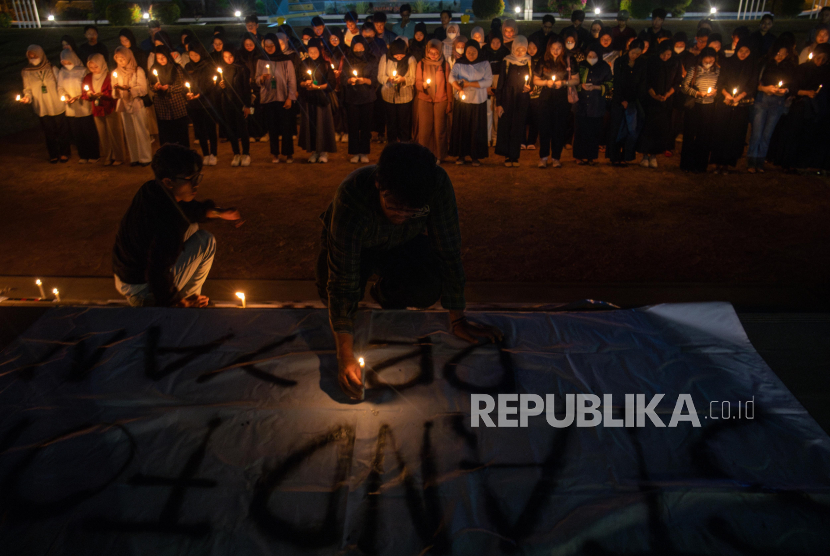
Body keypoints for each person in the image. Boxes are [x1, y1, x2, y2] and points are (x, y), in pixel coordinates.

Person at [315, 142, 504, 400]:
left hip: (403, 243)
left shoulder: (436, 185)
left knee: (426, 286)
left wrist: (458, 319)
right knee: (332, 292)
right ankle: (366, 287)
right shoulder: (352, 199)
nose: (402, 215)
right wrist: (345, 355)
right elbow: (341, 281)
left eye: (412, 210)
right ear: (379, 185)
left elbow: (448, 249)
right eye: (394, 206)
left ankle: (385, 291)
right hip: (358, 246)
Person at [113, 144, 242, 308]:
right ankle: (188, 302)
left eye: (197, 177)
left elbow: (190, 209)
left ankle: (188, 298)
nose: (196, 185)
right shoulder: (168, 219)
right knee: (205, 242)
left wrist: (219, 213)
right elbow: (157, 270)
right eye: (190, 180)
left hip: (129, 275)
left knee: (196, 231)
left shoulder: (152, 189)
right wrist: (179, 303)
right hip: (142, 288)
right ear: (168, 181)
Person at [767, 43, 830, 172]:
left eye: (824, 59)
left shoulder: (826, 71)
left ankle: (807, 163)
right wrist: (806, 92)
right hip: (800, 107)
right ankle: (789, 162)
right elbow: (793, 88)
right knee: (794, 135)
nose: (820, 62)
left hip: (818, 109)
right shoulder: (803, 69)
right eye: (818, 58)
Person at [746, 38, 797, 173]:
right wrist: (764, 89)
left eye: (784, 54)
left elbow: (793, 85)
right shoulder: (764, 63)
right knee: (757, 132)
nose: (780, 57)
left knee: (767, 134)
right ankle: (751, 161)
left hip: (778, 103)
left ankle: (760, 162)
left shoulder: (789, 67)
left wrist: (784, 91)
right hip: (762, 100)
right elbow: (753, 82)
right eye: (778, 53)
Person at [710, 40, 757, 174]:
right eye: (741, 51)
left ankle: (727, 163)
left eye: (747, 52)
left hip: (740, 105)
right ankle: (717, 162)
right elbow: (721, 82)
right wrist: (727, 95)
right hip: (724, 102)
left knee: (734, 134)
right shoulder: (729, 63)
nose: (743, 54)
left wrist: (738, 97)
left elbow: (751, 85)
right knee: (720, 131)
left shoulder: (752, 66)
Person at [533, 36, 579, 169]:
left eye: (558, 48)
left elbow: (576, 80)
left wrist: (563, 83)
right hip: (546, 98)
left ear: (563, 48)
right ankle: (543, 157)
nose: (556, 51)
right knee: (544, 128)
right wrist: (545, 82)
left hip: (562, 98)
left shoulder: (569, 60)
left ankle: (556, 157)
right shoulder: (543, 60)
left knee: (559, 128)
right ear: (549, 48)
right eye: (553, 48)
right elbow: (535, 79)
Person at [21, 45, 71, 163]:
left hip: (56, 103)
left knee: (62, 130)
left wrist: (65, 95)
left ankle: (64, 152)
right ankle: (53, 153)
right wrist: (27, 98)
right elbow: (27, 88)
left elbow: (60, 85)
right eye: (30, 56)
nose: (33, 58)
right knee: (49, 131)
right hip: (42, 106)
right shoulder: (26, 72)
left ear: (41, 54)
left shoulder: (52, 69)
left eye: (35, 55)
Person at [449, 40, 493, 166]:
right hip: (462, 100)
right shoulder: (459, 63)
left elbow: (488, 81)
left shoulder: (484, 63)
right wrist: (460, 88)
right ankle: (461, 155)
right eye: (469, 52)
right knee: (462, 128)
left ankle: (475, 156)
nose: (471, 54)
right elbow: (451, 77)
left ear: (478, 52)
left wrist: (469, 84)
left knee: (476, 129)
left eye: (474, 52)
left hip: (478, 100)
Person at [637, 41, 679, 168]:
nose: (666, 57)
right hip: (650, 100)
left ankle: (654, 155)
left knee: (659, 129)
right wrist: (654, 95)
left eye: (668, 54)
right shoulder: (651, 61)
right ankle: (645, 155)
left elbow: (677, 82)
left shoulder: (675, 62)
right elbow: (646, 80)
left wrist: (667, 95)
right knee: (647, 128)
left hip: (666, 101)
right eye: (663, 55)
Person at [257, 33, 297, 164]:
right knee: (272, 128)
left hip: (283, 97)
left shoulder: (286, 60)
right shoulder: (261, 60)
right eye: (266, 46)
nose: (269, 48)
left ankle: (288, 153)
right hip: (268, 98)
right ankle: (275, 153)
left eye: (271, 45)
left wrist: (290, 97)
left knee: (286, 127)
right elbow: (257, 79)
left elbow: (292, 80)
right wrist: (262, 78)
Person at [679, 47, 720, 173]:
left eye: (711, 58)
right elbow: (684, 87)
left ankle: (701, 164)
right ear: (701, 58)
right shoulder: (694, 69)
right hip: (694, 106)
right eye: (706, 58)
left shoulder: (717, 71)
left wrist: (715, 92)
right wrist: (697, 94)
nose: (708, 61)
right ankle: (687, 164)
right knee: (690, 134)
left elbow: (719, 86)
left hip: (708, 107)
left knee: (705, 135)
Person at [606, 39, 646, 167]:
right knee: (617, 128)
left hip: (633, 101)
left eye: (638, 53)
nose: (635, 56)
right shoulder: (620, 62)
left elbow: (641, 83)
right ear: (629, 49)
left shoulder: (641, 64)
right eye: (633, 52)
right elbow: (617, 82)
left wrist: (632, 100)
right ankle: (614, 156)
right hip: (619, 100)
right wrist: (621, 100)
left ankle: (625, 156)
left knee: (630, 130)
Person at [82, 54, 126, 166]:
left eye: (96, 67)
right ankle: (108, 156)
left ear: (102, 65)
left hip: (110, 107)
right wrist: (89, 95)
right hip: (97, 109)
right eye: (91, 67)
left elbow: (113, 92)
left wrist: (103, 95)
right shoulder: (88, 77)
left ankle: (119, 156)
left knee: (115, 133)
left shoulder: (109, 76)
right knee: (103, 134)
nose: (93, 70)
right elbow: (84, 93)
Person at [495, 36, 532, 167]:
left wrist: (529, 87)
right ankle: (506, 155)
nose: (520, 52)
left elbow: (531, 81)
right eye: (518, 49)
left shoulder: (528, 62)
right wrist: (498, 103)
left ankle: (514, 156)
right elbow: (500, 83)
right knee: (506, 125)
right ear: (513, 48)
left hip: (521, 98)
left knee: (518, 126)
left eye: (523, 49)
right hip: (507, 97)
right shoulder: (507, 61)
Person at [298, 39, 338, 163]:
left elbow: (331, 83)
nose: (313, 54)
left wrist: (318, 87)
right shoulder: (304, 63)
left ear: (319, 51)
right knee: (311, 126)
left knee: (322, 125)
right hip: (309, 100)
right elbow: (299, 80)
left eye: (315, 51)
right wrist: (305, 84)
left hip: (322, 100)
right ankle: (314, 151)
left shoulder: (325, 64)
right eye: (310, 51)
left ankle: (323, 152)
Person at [57, 49, 99, 163]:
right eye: (64, 62)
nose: (66, 64)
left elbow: (88, 86)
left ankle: (94, 154)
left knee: (88, 131)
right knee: (77, 133)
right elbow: (60, 87)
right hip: (71, 107)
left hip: (83, 105)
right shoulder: (62, 72)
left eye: (68, 62)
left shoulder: (83, 71)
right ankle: (83, 155)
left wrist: (80, 96)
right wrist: (65, 96)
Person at [112, 46, 152, 167]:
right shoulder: (116, 72)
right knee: (129, 131)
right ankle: (134, 157)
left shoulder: (137, 70)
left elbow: (143, 89)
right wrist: (117, 90)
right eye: (118, 58)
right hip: (124, 104)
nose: (120, 61)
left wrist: (129, 89)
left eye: (122, 58)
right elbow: (114, 93)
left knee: (141, 130)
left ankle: (145, 157)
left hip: (136, 104)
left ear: (128, 57)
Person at [573, 45, 612, 165]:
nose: (592, 58)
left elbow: (609, 84)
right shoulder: (581, 65)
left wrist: (596, 87)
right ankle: (579, 156)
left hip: (596, 104)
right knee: (581, 131)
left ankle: (591, 156)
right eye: (590, 56)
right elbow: (574, 82)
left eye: (594, 56)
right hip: (582, 104)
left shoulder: (604, 66)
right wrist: (581, 86)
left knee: (594, 132)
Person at [415, 38, 453, 162]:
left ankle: (439, 155)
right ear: (426, 51)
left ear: (440, 52)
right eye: (430, 52)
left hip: (440, 100)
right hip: (425, 99)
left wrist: (449, 101)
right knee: (425, 130)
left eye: (436, 53)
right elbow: (417, 82)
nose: (433, 55)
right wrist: (423, 86)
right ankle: (424, 154)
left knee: (439, 130)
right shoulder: (421, 64)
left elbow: (448, 83)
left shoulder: (444, 64)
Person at [342, 36, 378, 164]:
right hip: (352, 98)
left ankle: (364, 152)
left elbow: (375, 79)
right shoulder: (347, 59)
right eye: (356, 47)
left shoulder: (372, 59)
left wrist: (364, 80)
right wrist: (349, 80)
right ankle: (354, 152)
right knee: (353, 126)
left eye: (361, 47)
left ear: (365, 46)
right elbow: (343, 77)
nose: (358, 49)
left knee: (365, 126)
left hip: (367, 97)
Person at [184, 42, 220, 166]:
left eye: (196, 55)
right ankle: (205, 154)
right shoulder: (188, 66)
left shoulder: (208, 66)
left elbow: (210, 83)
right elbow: (186, 82)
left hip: (207, 102)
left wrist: (200, 93)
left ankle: (213, 154)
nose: (193, 57)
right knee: (200, 130)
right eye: (191, 55)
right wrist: (187, 93)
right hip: (194, 104)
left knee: (211, 129)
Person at [217, 48, 253, 167]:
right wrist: (220, 86)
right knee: (230, 129)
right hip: (227, 103)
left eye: (230, 56)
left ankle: (246, 154)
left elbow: (247, 89)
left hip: (240, 103)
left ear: (235, 55)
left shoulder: (242, 69)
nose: (228, 59)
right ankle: (236, 153)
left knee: (243, 128)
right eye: (225, 56)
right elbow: (218, 89)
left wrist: (247, 106)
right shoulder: (222, 69)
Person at [151, 45, 190, 148]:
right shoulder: (154, 69)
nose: (161, 60)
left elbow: (181, 85)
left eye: (163, 57)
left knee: (180, 134)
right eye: (158, 58)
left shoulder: (176, 68)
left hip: (177, 107)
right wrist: (155, 87)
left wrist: (169, 88)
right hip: (162, 108)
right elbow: (151, 85)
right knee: (167, 135)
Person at [379, 38, 416, 143]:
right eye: (396, 55)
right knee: (391, 123)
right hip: (388, 95)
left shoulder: (411, 59)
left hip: (405, 96)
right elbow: (380, 76)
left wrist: (403, 79)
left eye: (401, 55)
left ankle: (404, 146)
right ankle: (392, 146)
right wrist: (388, 79)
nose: (399, 57)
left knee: (403, 123)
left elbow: (413, 79)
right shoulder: (385, 58)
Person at [236, 33, 267, 142]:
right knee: (247, 110)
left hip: (258, 86)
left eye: (251, 44)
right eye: (246, 44)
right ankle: (248, 134)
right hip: (245, 86)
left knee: (258, 111)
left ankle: (259, 132)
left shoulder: (260, 55)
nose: (249, 46)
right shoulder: (240, 56)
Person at [483, 32, 509, 146]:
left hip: (500, 80)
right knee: (488, 111)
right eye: (493, 42)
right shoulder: (484, 52)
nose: (495, 44)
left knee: (497, 109)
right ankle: (488, 137)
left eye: (498, 42)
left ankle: (496, 137)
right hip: (488, 80)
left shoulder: (505, 52)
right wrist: (486, 85)